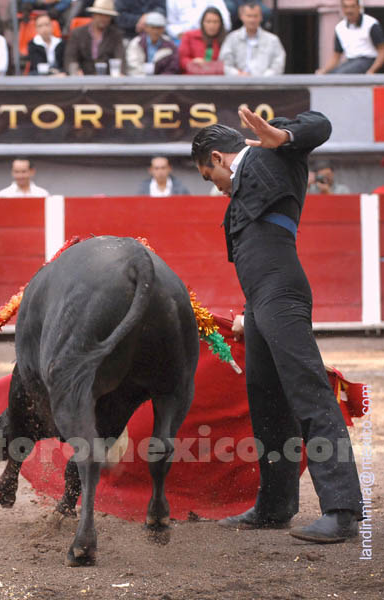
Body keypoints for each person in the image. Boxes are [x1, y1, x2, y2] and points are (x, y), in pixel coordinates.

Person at [191, 106, 363, 543]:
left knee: (308, 392)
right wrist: (248, 310)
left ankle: (343, 510)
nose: (216, 188)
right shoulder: (239, 197)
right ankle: (275, 505)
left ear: (215, 158)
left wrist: (282, 137)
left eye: (210, 176)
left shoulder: (273, 153)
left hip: (283, 293)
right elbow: (254, 257)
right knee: (267, 404)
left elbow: (321, 122)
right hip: (262, 301)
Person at [317, 0, 384, 75]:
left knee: (339, 75)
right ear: (342, 8)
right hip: (350, 62)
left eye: (352, 6)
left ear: (359, 7)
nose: (349, 10)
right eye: (346, 7)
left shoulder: (371, 24)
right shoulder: (340, 27)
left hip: (368, 60)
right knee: (330, 76)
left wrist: (372, 71)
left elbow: (382, 50)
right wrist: (323, 70)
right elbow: (336, 57)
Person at [219, 1, 285, 76]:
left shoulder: (273, 40)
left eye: (255, 16)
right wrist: (238, 74)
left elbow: (278, 65)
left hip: (265, 84)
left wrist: (263, 78)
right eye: (249, 16)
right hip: (237, 84)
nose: (252, 20)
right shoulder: (231, 38)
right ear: (241, 16)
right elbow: (224, 64)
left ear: (261, 17)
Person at [64, 0, 125, 75]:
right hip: (82, 80)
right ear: (93, 15)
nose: (104, 18)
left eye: (107, 16)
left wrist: (120, 72)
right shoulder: (77, 34)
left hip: (108, 80)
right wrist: (75, 71)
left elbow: (120, 58)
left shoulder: (116, 35)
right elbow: (70, 58)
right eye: (100, 14)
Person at [126, 11, 179, 76]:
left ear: (163, 29)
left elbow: (172, 68)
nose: (155, 31)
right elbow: (133, 66)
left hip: (163, 83)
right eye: (153, 27)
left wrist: (159, 81)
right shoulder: (136, 43)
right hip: (139, 82)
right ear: (146, 28)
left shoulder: (170, 45)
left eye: (159, 28)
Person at [179, 6, 226, 74]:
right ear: (202, 22)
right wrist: (193, 63)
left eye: (215, 22)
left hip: (216, 80)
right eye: (208, 21)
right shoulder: (189, 36)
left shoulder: (226, 39)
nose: (212, 25)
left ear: (221, 23)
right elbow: (182, 59)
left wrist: (209, 66)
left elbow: (228, 65)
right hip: (192, 78)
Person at [165, 0, 231, 43]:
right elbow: (171, 24)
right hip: (182, 38)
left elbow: (226, 22)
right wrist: (178, 33)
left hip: (208, 37)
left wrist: (209, 29)